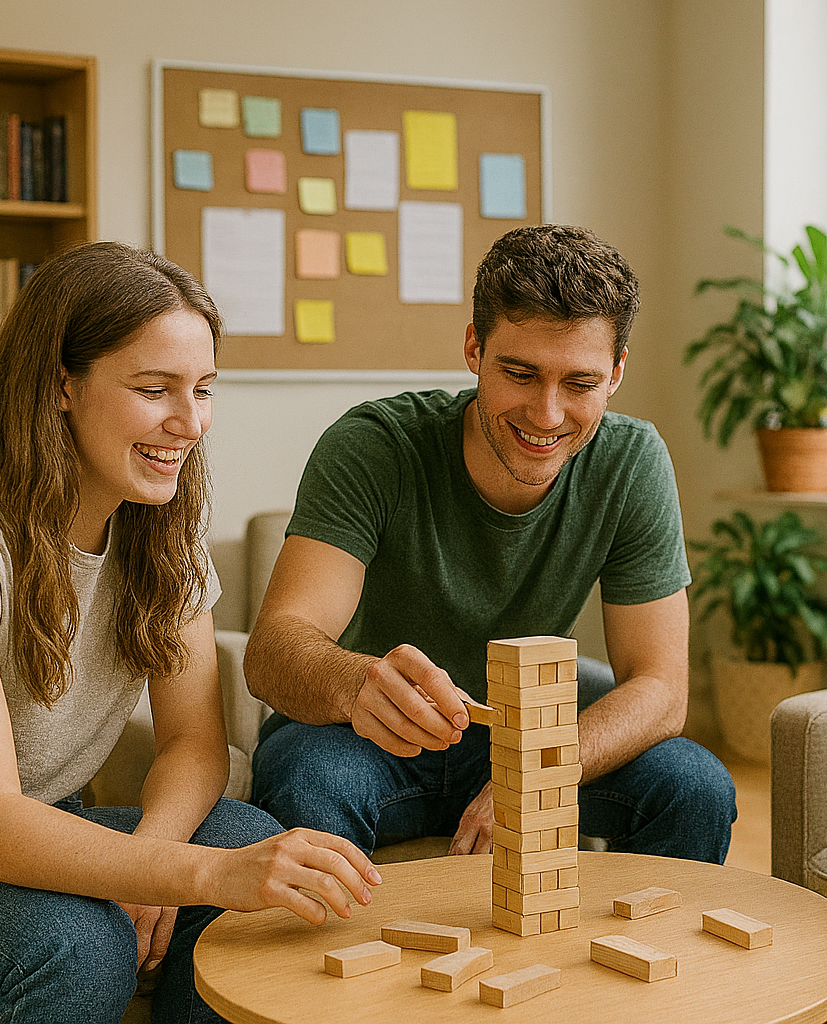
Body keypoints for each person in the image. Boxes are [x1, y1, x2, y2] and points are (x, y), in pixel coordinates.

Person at [0, 242, 380, 1024]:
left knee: (247, 835)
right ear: (62, 383)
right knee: (79, 940)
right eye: (153, 389)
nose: (188, 424)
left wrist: (157, 864)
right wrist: (188, 875)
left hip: (40, 827)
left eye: (203, 390)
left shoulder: (163, 523)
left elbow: (192, 744)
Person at [244, 224, 735, 863]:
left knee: (694, 787)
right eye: (520, 373)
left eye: (580, 385)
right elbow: (274, 649)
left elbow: (662, 689)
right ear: (474, 349)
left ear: (615, 374)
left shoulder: (632, 462)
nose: (548, 414)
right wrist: (358, 680)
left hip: (524, 732)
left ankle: (652, 963)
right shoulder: (373, 447)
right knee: (307, 778)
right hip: (367, 737)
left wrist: (539, 771)